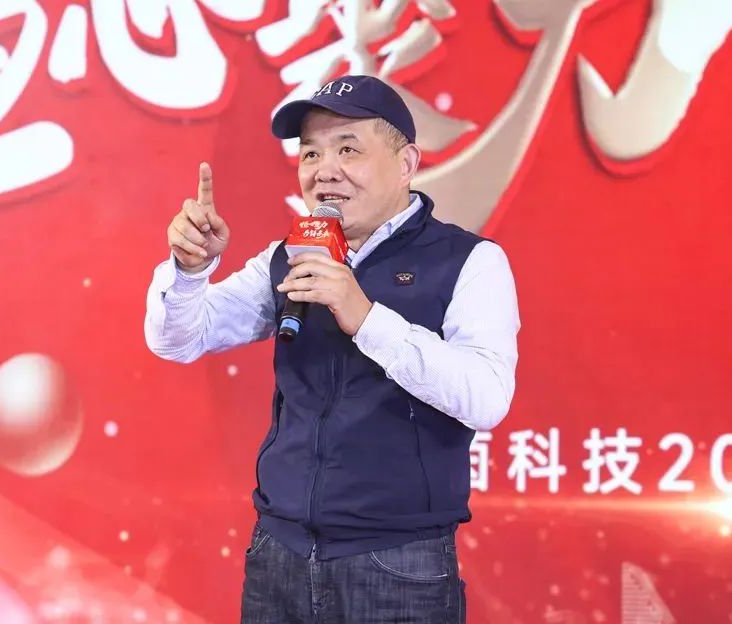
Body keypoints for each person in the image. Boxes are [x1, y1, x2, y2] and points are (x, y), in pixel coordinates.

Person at [145, 74, 520, 624]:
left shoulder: (468, 261)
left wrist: (366, 318)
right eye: (311, 153)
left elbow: (487, 397)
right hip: (280, 552)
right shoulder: (289, 257)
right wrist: (189, 272)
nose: (324, 170)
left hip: (397, 561)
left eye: (348, 149)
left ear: (407, 163)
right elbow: (177, 340)